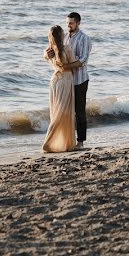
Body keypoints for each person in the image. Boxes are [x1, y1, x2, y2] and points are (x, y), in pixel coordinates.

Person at [45, 12, 91, 149]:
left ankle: (80, 142)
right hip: (66, 82)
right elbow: (53, 51)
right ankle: (64, 141)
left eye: (71, 23)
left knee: (79, 111)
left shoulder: (84, 38)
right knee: (65, 112)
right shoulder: (64, 37)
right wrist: (48, 55)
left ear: (78, 23)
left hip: (79, 80)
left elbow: (82, 60)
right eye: (67, 23)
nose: (68, 26)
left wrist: (65, 67)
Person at [42, 25, 77, 153]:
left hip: (54, 81)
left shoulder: (49, 51)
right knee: (63, 113)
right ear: (61, 35)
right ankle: (49, 142)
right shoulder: (66, 49)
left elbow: (45, 57)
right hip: (65, 80)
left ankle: (62, 143)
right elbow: (73, 65)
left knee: (56, 112)